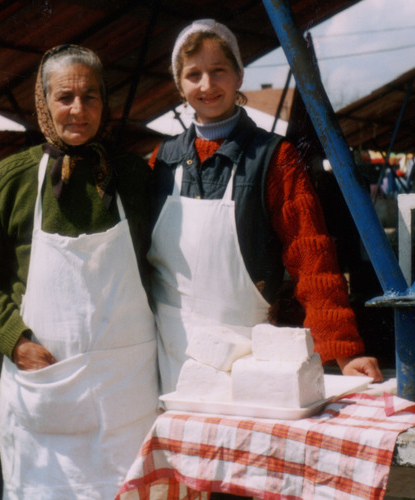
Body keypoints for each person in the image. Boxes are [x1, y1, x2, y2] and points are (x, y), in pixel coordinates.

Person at [147, 19, 383, 397]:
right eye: (194, 75)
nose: (206, 86)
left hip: (246, 358)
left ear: (239, 75)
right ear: (179, 84)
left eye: (218, 71)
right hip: (167, 355)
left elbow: (312, 257)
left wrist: (343, 352)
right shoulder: (161, 159)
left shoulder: (276, 157)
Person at [0, 44, 159, 500]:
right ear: (43, 102)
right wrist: (17, 340)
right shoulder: (13, 178)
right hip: (46, 388)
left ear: (104, 103)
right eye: (65, 97)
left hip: (126, 391)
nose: (78, 109)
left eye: (91, 97)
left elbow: (162, 266)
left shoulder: (132, 175)